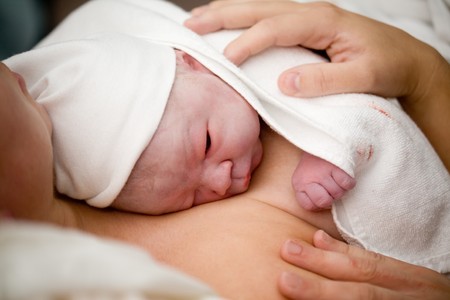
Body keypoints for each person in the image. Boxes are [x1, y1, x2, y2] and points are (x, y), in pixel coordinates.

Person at [1, 0, 450, 299]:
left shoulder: (74, 90)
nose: (221, 181)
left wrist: (423, 75)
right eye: (187, 197)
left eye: (208, 144)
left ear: (193, 62)